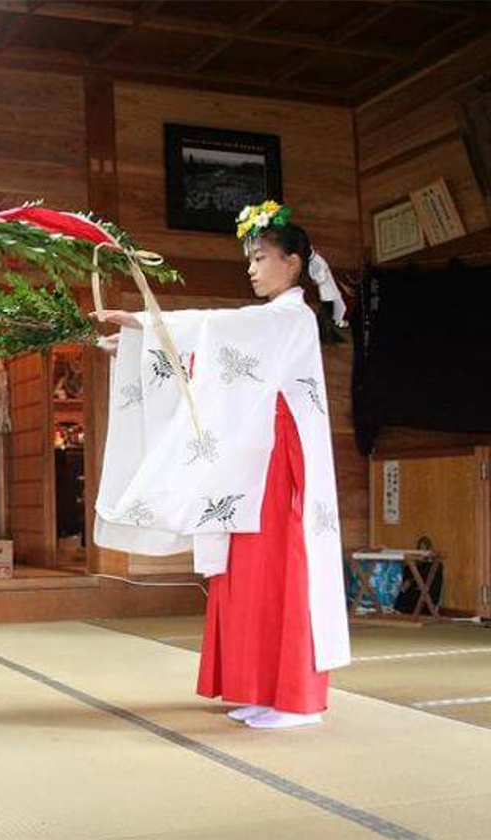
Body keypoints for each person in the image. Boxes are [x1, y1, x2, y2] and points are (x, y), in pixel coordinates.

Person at [92, 202, 350, 730]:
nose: (252, 269)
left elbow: (219, 331)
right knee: (249, 571)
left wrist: (145, 323)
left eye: (261, 258)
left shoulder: (290, 317)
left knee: (280, 567)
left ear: (294, 263)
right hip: (255, 458)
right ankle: (263, 688)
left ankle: (296, 697)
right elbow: (215, 359)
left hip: (279, 461)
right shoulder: (274, 320)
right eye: (249, 260)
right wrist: (139, 343)